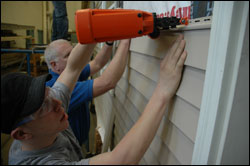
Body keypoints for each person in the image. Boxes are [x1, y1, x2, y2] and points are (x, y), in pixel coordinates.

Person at [1, 34, 187, 165]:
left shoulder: (46, 119)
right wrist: (163, 90)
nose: (58, 103)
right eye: (43, 107)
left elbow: (73, 68)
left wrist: (95, 29)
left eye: (48, 93)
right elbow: (121, 160)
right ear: (22, 135)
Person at [44, 39, 128, 149]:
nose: (74, 55)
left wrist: (109, 42)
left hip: (78, 141)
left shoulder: (69, 73)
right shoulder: (58, 88)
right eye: (68, 55)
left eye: (73, 51)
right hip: (69, 149)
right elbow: (108, 82)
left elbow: (98, 63)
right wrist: (125, 41)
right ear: (54, 65)